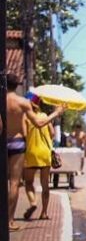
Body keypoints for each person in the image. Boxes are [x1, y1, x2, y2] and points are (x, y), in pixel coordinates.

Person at [4, 73, 64, 231]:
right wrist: (56, 113)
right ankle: (9, 221)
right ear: (17, 85)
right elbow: (39, 122)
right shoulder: (22, 102)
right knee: (14, 183)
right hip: (16, 143)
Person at [22, 94, 57, 220]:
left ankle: (33, 202)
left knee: (29, 183)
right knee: (45, 185)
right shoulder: (44, 116)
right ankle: (44, 212)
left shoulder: (25, 117)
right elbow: (52, 133)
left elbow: (24, 135)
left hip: (31, 152)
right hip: (45, 152)